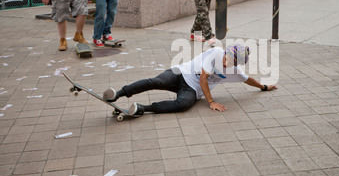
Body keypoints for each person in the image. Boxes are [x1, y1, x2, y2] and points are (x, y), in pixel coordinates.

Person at [102, 44, 278, 116]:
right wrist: (211, 101)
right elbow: (203, 78)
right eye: (227, 57)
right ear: (226, 52)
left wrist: (264, 87)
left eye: (231, 62)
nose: (226, 62)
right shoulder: (216, 52)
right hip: (181, 73)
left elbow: (248, 80)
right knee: (157, 81)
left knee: (183, 105)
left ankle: (141, 109)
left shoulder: (235, 71)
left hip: (192, 90)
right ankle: (117, 94)